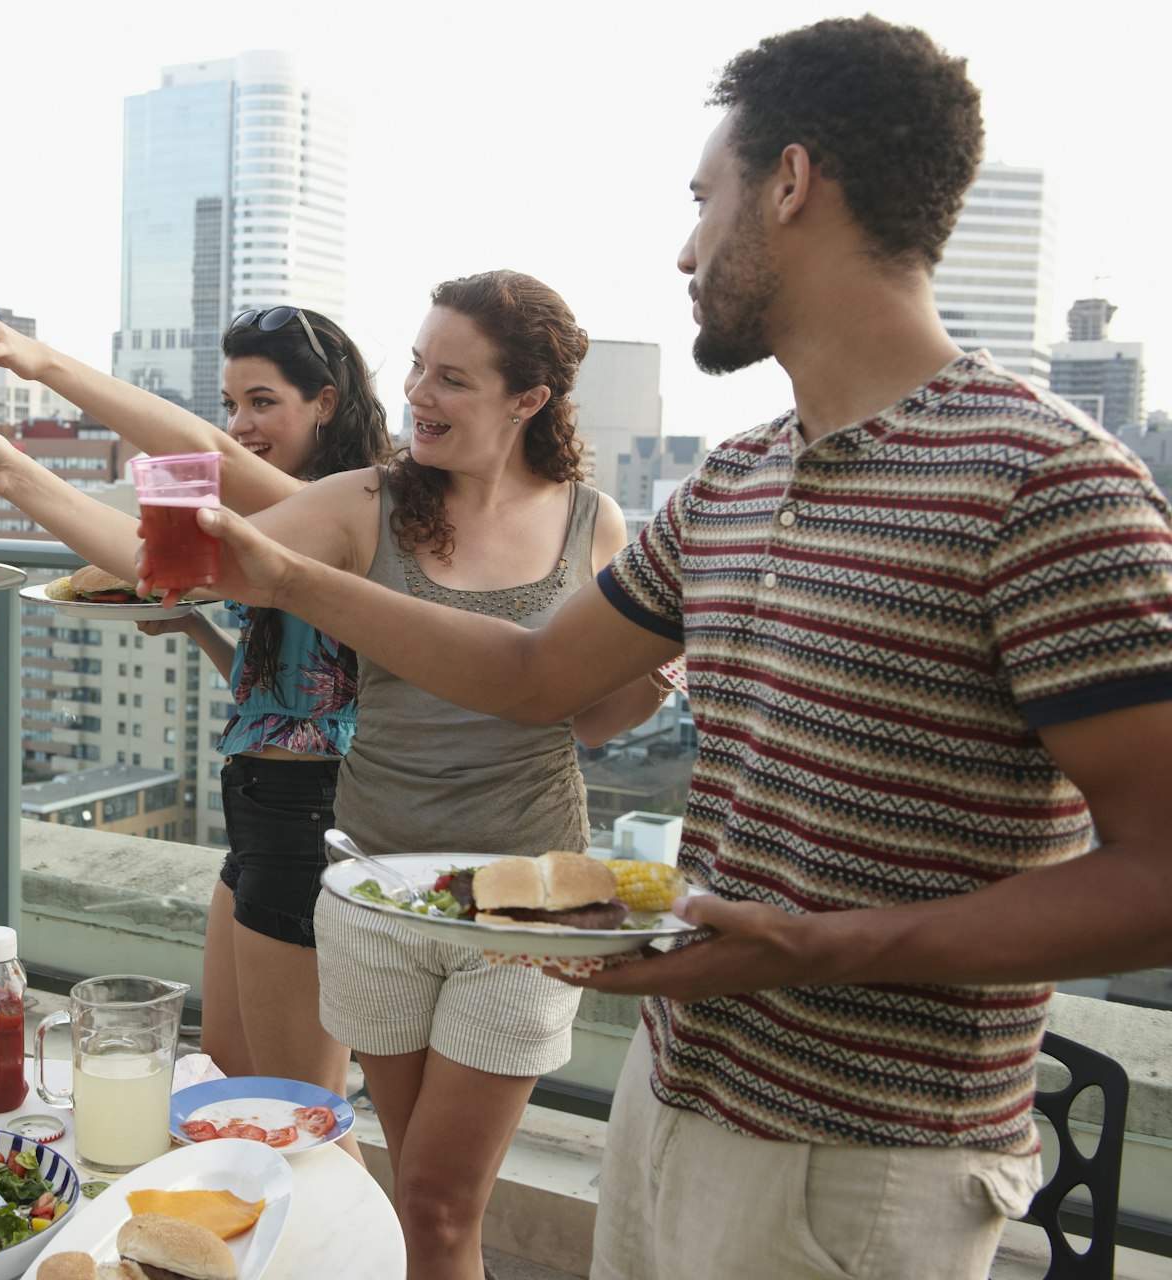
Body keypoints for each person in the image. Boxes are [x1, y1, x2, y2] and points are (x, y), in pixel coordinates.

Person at [158, 17, 1172, 1280]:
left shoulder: (1051, 483)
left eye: (707, 198)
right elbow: (535, 675)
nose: (685, 245)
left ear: (791, 185)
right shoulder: (734, 479)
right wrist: (288, 570)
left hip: (863, 1160)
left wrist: (824, 945)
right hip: (673, 1083)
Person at [0, 274, 666, 1280]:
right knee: (403, 1187)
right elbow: (185, 543)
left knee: (444, 1199)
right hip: (377, 889)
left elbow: (593, 713)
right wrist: (17, 466)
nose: (419, 393)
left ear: (529, 397)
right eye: (415, 366)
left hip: (515, 904)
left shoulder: (595, 523)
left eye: (451, 377)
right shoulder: (376, 503)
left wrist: (658, 670)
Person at [0, 301, 389, 1158]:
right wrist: (205, 632)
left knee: (304, 1117)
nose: (240, 425)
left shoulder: (360, 508)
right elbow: (283, 702)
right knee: (233, 1081)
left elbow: (190, 468)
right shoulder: (292, 518)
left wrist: (38, 368)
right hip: (258, 803)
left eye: (263, 402)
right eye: (232, 404)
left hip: (312, 816)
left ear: (324, 403)